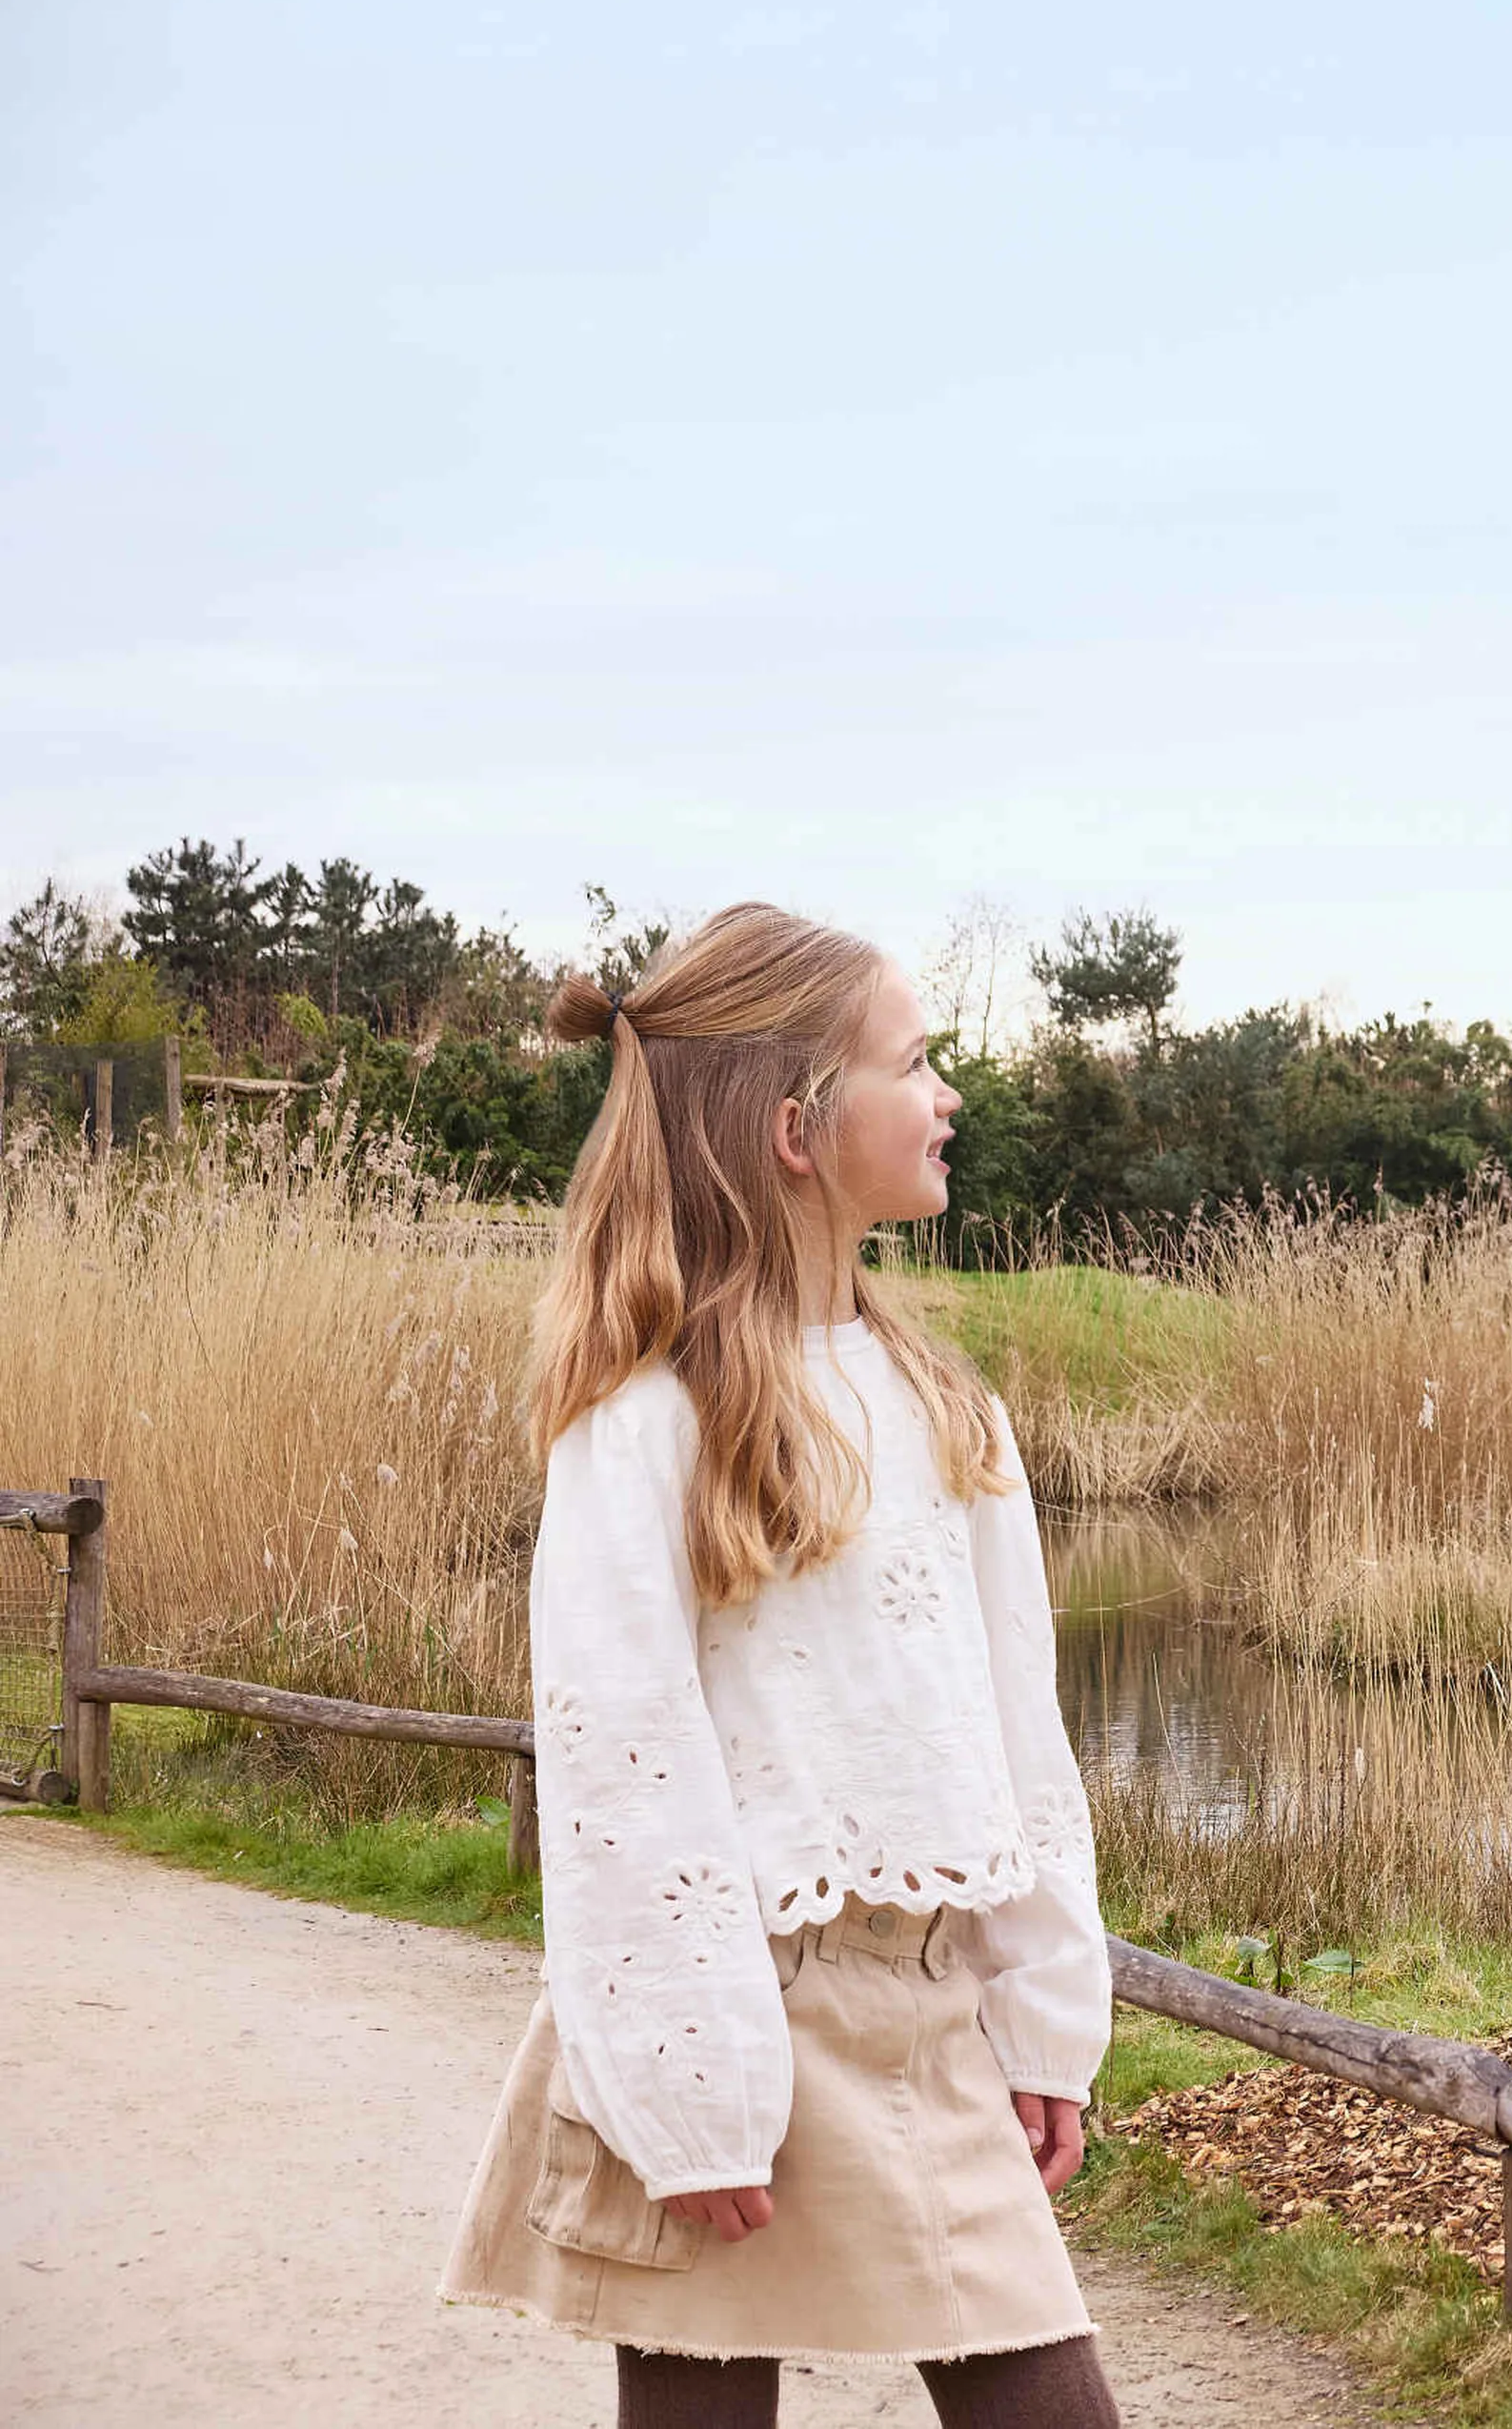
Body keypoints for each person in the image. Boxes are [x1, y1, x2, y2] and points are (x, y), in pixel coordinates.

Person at [440, 903, 1119, 2429]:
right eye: (919, 1060)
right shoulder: (648, 1424)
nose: (951, 1096)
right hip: (715, 2009)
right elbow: (627, 1761)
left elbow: (1021, 1743)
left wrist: (1044, 2008)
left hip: (929, 2015)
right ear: (801, 1128)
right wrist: (693, 2088)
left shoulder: (955, 1412)